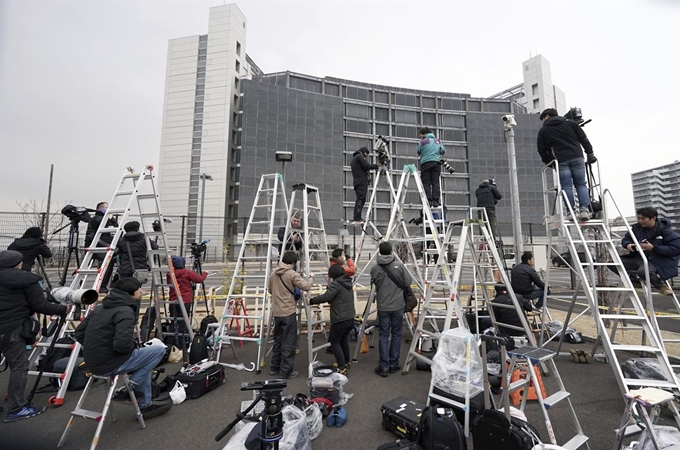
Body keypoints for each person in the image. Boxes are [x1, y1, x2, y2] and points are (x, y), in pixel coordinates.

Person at [74, 277, 171, 419]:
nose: (141, 291)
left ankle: (145, 404)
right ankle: (131, 386)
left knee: (142, 360)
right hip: (110, 362)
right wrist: (133, 347)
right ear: (130, 292)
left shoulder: (100, 308)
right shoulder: (125, 312)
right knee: (159, 350)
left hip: (93, 362)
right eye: (138, 288)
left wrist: (98, 348)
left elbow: (79, 333)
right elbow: (121, 345)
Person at [0, 250, 68, 422]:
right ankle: (16, 408)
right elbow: (40, 305)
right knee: (19, 367)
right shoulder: (27, 279)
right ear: (18, 263)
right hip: (12, 328)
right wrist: (61, 309)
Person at [536, 108, 597, 222]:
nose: (543, 121)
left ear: (547, 116)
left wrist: (548, 161)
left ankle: (571, 212)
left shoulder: (543, 130)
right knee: (581, 184)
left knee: (566, 186)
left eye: (543, 118)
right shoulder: (571, 123)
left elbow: (541, 149)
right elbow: (583, 139)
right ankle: (584, 210)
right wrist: (590, 153)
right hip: (577, 157)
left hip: (561, 161)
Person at [610, 207, 680, 296]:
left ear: (653, 218)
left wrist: (654, 248)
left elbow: (676, 249)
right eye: (638, 218)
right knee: (613, 263)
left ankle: (662, 286)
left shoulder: (666, 232)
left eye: (643, 219)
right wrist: (628, 244)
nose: (640, 221)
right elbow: (625, 239)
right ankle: (634, 281)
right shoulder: (636, 229)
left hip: (656, 259)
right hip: (638, 257)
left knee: (644, 271)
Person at [268, 251, 314, 379]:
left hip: (277, 312)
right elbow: (305, 286)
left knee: (278, 341)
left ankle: (274, 367)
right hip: (288, 312)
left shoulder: (273, 273)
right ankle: (286, 372)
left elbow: (270, 290)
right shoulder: (292, 274)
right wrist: (311, 277)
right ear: (293, 263)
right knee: (289, 342)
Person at [370, 241, 412, 377]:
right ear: (391, 252)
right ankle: (394, 363)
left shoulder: (375, 269)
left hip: (383, 306)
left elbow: (375, 283)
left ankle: (383, 366)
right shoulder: (399, 266)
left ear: (380, 252)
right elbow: (407, 282)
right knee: (396, 334)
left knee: (383, 335)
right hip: (398, 305)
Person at [308, 264, 355, 374]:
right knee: (343, 340)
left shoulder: (336, 284)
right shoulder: (347, 282)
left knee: (334, 342)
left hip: (340, 319)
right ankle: (346, 362)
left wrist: (311, 301)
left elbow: (326, 297)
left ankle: (342, 367)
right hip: (349, 317)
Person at [167, 256, 208, 339]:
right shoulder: (187, 272)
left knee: (174, 320)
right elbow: (199, 279)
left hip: (173, 300)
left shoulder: (169, 274)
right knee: (184, 320)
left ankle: (171, 340)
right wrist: (205, 273)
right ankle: (183, 340)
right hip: (185, 300)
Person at [84, 201, 119, 293]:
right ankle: (102, 285)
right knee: (108, 259)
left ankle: (116, 281)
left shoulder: (112, 220)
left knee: (126, 257)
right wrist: (107, 246)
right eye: (107, 208)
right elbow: (92, 236)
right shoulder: (96, 219)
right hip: (98, 248)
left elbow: (117, 231)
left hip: (111, 247)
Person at [417, 127, 446, 208]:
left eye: (421, 135)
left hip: (425, 163)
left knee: (426, 183)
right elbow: (443, 150)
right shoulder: (437, 141)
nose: (420, 136)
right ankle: (436, 201)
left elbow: (418, 152)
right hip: (436, 163)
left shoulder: (422, 142)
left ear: (424, 134)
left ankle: (428, 201)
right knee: (435, 182)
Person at [350, 146, 379, 223]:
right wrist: (378, 165)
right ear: (365, 152)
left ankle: (357, 217)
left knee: (360, 199)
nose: (366, 157)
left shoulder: (354, 159)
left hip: (357, 181)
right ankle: (357, 217)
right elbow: (367, 166)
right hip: (361, 181)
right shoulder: (360, 156)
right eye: (367, 155)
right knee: (361, 199)